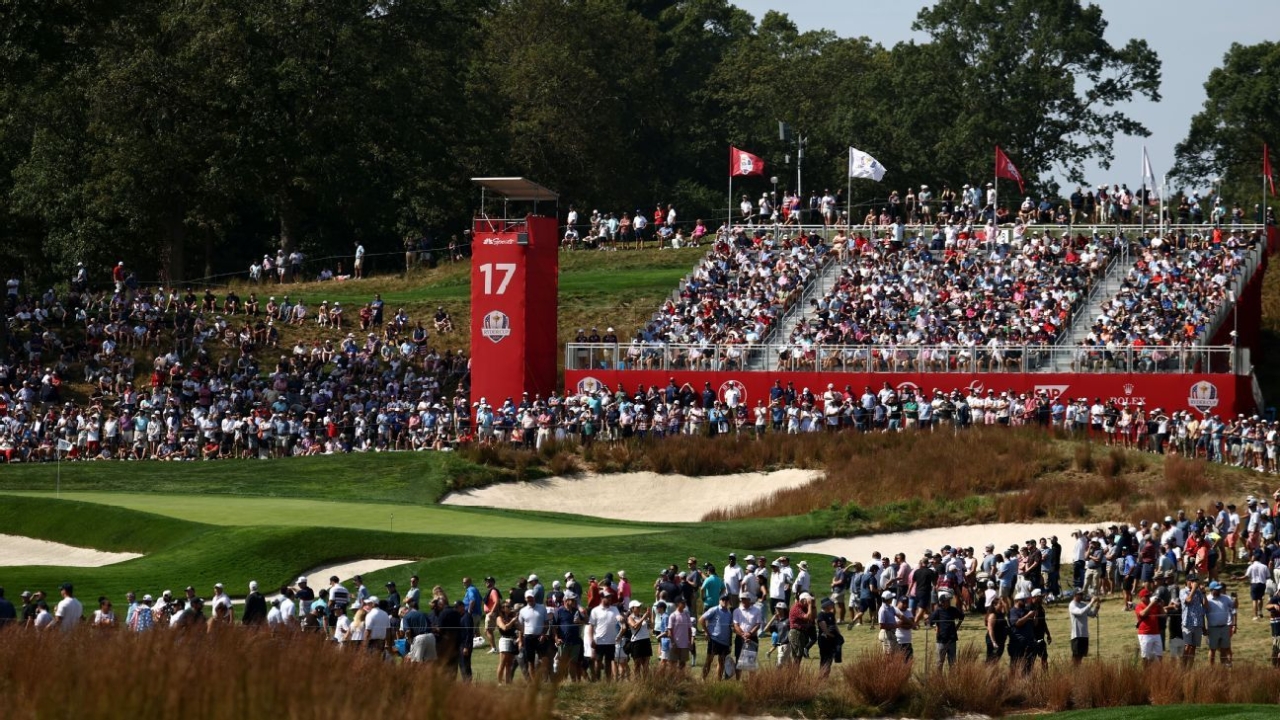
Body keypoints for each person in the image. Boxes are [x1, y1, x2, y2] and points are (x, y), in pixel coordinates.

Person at [551, 592, 587, 681]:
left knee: (573, 662)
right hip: (563, 641)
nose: (575, 601)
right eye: (572, 600)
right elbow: (554, 626)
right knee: (563, 662)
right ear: (566, 600)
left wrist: (580, 621)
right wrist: (556, 638)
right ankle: (562, 681)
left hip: (575, 641)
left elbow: (585, 622)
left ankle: (573, 681)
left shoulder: (576, 611)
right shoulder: (559, 611)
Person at [927, 590, 964, 671]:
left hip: (952, 640)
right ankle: (938, 679)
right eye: (947, 601)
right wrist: (935, 626)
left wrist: (957, 627)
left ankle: (952, 679)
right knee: (939, 662)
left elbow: (961, 617)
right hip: (941, 640)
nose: (949, 602)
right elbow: (930, 622)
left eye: (949, 601)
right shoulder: (938, 611)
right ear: (942, 602)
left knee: (953, 663)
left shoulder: (953, 610)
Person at [699, 594, 734, 681]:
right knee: (709, 660)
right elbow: (701, 619)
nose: (725, 601)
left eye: (726, 600)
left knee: (721, 662)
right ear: (719, 600)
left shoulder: (729, 613)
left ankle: (718, 681)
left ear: (729, 601)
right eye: (723, 599)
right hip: (714, 639)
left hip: (725, 641)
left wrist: (730, 642)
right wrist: (707, 632)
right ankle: (703, 679)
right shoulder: (714, 609)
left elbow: (730, 628)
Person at [589, 591, 622, 681]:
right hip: (599, 641)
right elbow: (591, 626)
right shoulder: (595, 610)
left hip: (611, 641)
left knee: (608, 662)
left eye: (610, 597)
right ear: (602, 598)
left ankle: (608, 681)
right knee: (598, 661)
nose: (610, 599)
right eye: (607, 597)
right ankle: (597, 679)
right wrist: (591, 639)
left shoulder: (614, 609)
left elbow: (618, 617)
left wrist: (620, 618)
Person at [1204, 581, 1236, 666]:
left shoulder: (1225, 598)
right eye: (1216, 590)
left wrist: (1235, 599)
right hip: (1213, 628)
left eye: (1219, 589)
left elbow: (1234, 606)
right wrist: (1204, 628)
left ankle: (1223, 667)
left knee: (1224, 649)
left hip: (1224, 627)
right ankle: (1211, 668)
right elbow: (1203, 613)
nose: (1219, 591)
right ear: (1211, 590)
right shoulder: (1207, 599)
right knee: (1212, 649)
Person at [1067, 589, 1100, 664]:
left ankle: (1078, 673)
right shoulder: (1072, 605)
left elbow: (1092, 614)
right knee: (1076, 657)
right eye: (1080, 594)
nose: (1082, 596)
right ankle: (1073, 673)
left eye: (1082, 594)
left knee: (1081, 657)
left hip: (1084, 635)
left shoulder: (1083, 604)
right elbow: (1080, 612)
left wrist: (1097, 607)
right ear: (1075, 595)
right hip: (1076, 635)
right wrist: (1091, 602)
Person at [1180, 574, 1207, 666]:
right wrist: (1194, 589)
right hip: (1187, 622)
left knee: (1193, 647)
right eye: (1192, 581)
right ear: (1187, 581)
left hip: (1198, 622)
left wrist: (1203, 593)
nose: (1194, 583)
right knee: (1187, 646)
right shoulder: (1183, 591)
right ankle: (1183, 667)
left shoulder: (1199, 592)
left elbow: (1205, 605)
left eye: (1195, 581)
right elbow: (1188, 601)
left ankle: (1190, 668)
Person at [815, 598, 843, 677]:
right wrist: (831, 635)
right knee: (825, 658)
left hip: (832, 639)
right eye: (831, 604)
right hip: (824, 640)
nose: (832, 605)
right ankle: (822, 675)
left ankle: (826, 675)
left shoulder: (831, 614)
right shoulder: (821, 615)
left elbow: (835, 625)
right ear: (826, 605)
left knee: (830, 658)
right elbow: (824, 628)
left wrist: (839, 635)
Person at [626, 600, 654, 677]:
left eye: (639, 607)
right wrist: (643, 618)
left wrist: (650, 615)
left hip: (646, 640)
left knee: (646, 664)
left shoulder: (642, 616)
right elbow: (634, 627)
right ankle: (637, 682)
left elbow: (652, 626)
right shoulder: (630, 617)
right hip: (637, 642)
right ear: (632, 609)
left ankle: (646, 681)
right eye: (637, 607)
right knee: (637, 664)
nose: (639, 608)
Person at [1135, 588, 1163, 663]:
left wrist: (1161, 606)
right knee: (1146, 657)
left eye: (1149, 596)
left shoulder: (1154, 605)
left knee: (1159, 656)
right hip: (1145, 634)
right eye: (1146, 596)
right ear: (1141, 598)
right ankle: (1146, 673)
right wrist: (1151, 604)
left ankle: (1158, 672)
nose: (1148, 597)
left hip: (1156, 633)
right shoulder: (1139, 606)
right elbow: (1143, 614)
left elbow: (1163, 615)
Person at [494, 601, 520, 683]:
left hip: (513, 640)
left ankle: (507, 682)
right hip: (504, 640)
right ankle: (499, 682)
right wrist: (512, 621)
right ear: (503, 608)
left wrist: (516, 620)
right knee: (502, 663)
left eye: (509, 606)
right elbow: (504, 628)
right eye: (507, 606)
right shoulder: (499, 618)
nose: (509, 608)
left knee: (509, 664)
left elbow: (519, 627)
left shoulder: (511, 617)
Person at [667, 597, 694, 669]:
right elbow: (670, 631)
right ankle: (672, 679)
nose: (684, 604)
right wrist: (673, 643)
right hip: (675, 644)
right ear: (677, 604)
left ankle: (681, 677)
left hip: (684, 644)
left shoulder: (686, 615)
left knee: (682, 663)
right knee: (673, 663)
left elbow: (689, 629)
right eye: (682, 603)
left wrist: (690, 641)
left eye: (685, 602)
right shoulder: (673, 615)